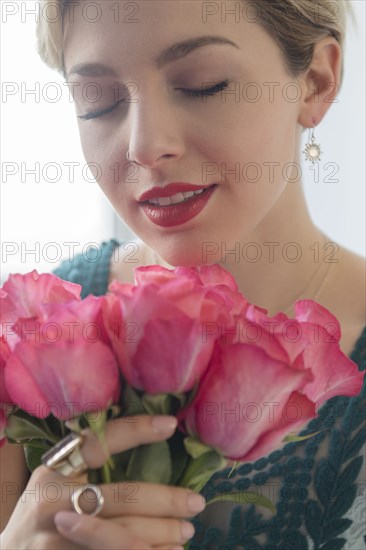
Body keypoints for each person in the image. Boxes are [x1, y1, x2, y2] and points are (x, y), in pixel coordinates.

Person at [1, 0, 365, 548]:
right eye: (98, 102)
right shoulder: (34, 331)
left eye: (203, 84)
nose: (145, 147)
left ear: (315, 82)